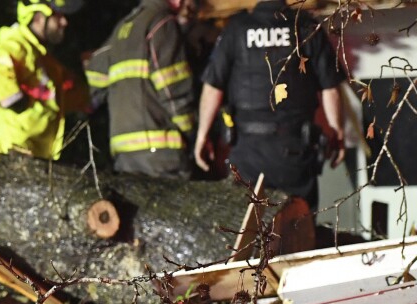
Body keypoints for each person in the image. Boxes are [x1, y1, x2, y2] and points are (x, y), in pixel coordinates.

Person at [192, 0, 346, 205]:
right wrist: (337, 132)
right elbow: (330, 89)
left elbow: (213, 88)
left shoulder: (237, 29)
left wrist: (202, 135)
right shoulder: (306, 26)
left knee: (251, 225)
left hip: (248, 151)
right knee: (298, 223)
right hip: (295, 150)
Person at [85, 0, 197, 178]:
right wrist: (192, 133)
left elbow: (92, 78)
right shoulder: (162, 23)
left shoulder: (124, 27)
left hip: (124, 152)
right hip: (161, 151)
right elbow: (174, 89)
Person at [0, 0, 89, 160]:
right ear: (38, 18)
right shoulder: (16, 44)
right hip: (6, 153)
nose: (64, 22)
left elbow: (61, 98)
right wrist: (15, 100)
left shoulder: (45, 59)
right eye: (58, 16)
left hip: (32, 154)